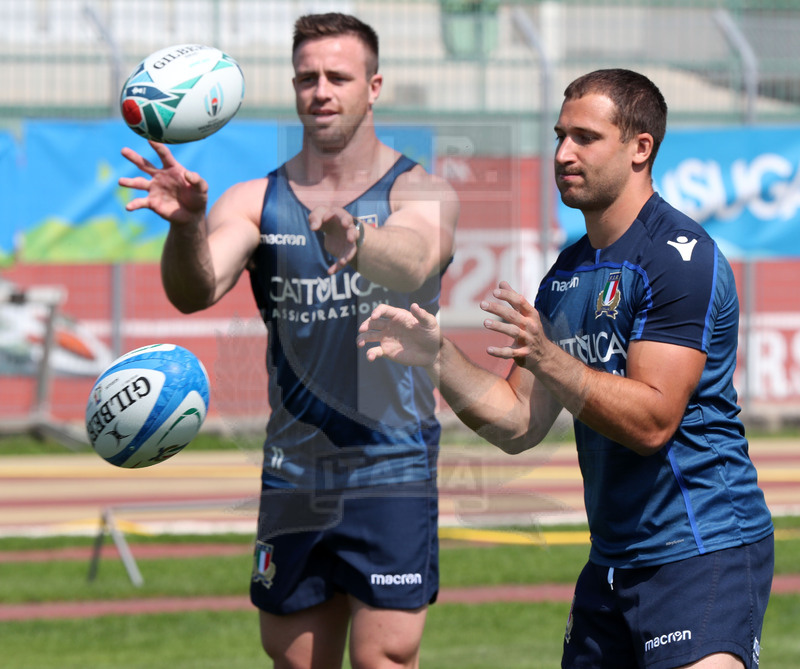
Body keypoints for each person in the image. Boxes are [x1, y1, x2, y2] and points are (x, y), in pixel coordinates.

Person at [358, 68, 773, 669]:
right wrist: (437, 357)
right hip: (613, 559)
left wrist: (550, 358)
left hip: (702, 547)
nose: (562, 154)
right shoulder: (567, 274)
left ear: (640, 148)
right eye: (559, 136)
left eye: (585, 137)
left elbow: (654, 420)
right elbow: (518, 422)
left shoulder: (680, 258)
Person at [119, 12, 458, 669]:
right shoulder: (254, 199)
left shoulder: (419, 188)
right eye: (308, 77)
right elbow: (195, 289)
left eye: (339, 76)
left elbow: (416, 258)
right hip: (294, 470)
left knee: (385, 657)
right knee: (295, 661)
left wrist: (361, 241)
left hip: (391, 464)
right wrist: (186, 227)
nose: (321, 90)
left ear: (374, 86)